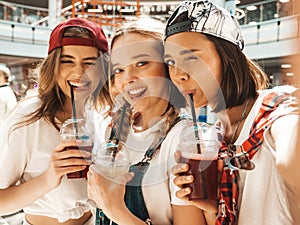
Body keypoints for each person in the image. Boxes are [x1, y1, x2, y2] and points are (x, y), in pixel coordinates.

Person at [163, 1, 299, 225]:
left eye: (191, 58)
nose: (178, 75)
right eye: (171, 62)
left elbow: (290, 143)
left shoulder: (275, 109)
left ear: (227, 57)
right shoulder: (215, 138)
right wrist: (212, 207)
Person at [87, 17, 209, 225]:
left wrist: (115, 210)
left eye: (142, 63)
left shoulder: (186, 139)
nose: (129, 78)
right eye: (119, 69)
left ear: (168, 67)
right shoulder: (114, 132)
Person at [0, 18, 111, 225]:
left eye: (89, 63)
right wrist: (49, 178)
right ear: (53, 66)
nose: (79, 72)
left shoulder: (99, 112)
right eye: (67, 61)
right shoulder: (29, 116)